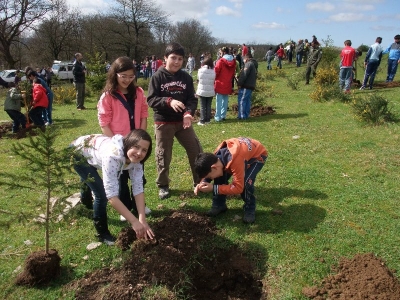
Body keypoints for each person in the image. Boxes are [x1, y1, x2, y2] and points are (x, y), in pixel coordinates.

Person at [71, 129, 155, 245]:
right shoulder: (113, 157)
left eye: (144, 150)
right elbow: (111, 196)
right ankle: (102, 234)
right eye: (136, 147)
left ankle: (85, 204)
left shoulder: (137, 160)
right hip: (78, 153)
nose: (139, 153)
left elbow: (138, 188)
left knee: (90, 180)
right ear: (128, 143)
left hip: (94, 151)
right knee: (101, 194)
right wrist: (134, 221)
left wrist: (142, 219)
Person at [97, 56, 151, 220]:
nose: (127, 80)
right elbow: (104, 123)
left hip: (136, 144)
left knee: (138, 176)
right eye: (123, 76)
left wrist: (141, 138)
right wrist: (115, 144)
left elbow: (143, 115)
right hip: (119, 145)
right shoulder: (108, 96)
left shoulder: (139, 93)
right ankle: (126, 207)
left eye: (131, 76)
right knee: (120, 179)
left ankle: (139, 205)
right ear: (115, 74)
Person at [147, 42, 203, 200]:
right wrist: (169, 101)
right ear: (165, 58)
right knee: (163, 154)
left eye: (180, 58)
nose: (177, 62)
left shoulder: (185, 77)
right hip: (164, 123)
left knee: (196, 151)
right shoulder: (158, 76)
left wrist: (188, 113)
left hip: (183, 122)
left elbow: (192, 99)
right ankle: (163, 185)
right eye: (173, 58)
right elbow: (151, 100)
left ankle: (199, 181)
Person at [194, 137, 268, 224]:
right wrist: (203, 182)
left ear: (214, 167)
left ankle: (250, 209)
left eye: (210, 177)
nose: (211, 178)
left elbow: (238, 187)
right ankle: (219, 205)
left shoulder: (236, 161)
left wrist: (214, 188)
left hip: (257, 156)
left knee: (245, 183)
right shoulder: (215, 158)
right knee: (219, 176)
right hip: (241, 155)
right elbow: (210, 173)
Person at [214, 46, 236, 122]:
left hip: (220, 83)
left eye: (220, 52)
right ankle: (223, 115)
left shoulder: (220, 61)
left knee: (218, 101)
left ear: (223, 52)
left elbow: (216, 72)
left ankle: (218, 117)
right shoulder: (233, 61)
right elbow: (233, 73)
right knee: (225, 100)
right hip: (228, 83)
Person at [237, 53, 257, 120]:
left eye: (244, 58)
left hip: (246, 85)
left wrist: (239, 83)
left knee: (242, 100)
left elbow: (244, 74)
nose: (243, 60)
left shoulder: (248, 64)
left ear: (247, 58)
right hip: (250, 85)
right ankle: (246, 115)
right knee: (247, 101)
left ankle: (242, 116)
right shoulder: (253, 64)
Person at [196, 57, 215, 126]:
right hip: (210, 90)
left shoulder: (200, 70)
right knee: (208, 105)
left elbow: (198, 79)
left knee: (202, 106)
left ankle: (202, 120)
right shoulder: (213, 71)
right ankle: (207, 120)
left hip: (202, 90)